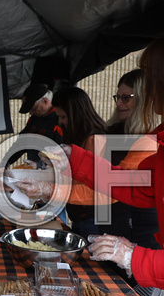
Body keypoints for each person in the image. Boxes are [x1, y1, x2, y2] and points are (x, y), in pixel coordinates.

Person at [48, 25, 164, 296]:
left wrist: (136, 257)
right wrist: (73, 158)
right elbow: (135, 184)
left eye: (153, 79)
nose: (147, 91)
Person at [16, 86, 109, 238]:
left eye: (63, 117)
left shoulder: (95, 139)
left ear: (76, 114)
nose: (60, 122)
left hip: (93, 218)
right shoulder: (79, 136)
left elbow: (94, 188)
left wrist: (49, 189)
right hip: (79, 215)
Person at [99, 69, 161, 251]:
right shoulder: (112, 132)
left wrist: (56, 189)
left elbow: (113, 185)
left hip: (139, 234)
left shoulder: (149, 140)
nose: (119, 103)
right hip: (110, 226)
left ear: (144, 99)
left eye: (126, 98)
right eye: (117, 97)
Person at [6, 83, 64, 166]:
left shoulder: (60, 120)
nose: (31, 113)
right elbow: (22, 141)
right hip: (35, 169)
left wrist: (41, 166)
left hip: (53, 170)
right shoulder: (35, 118)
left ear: (45, 101)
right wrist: (7, 161)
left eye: (34, 109)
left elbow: (63, 151)